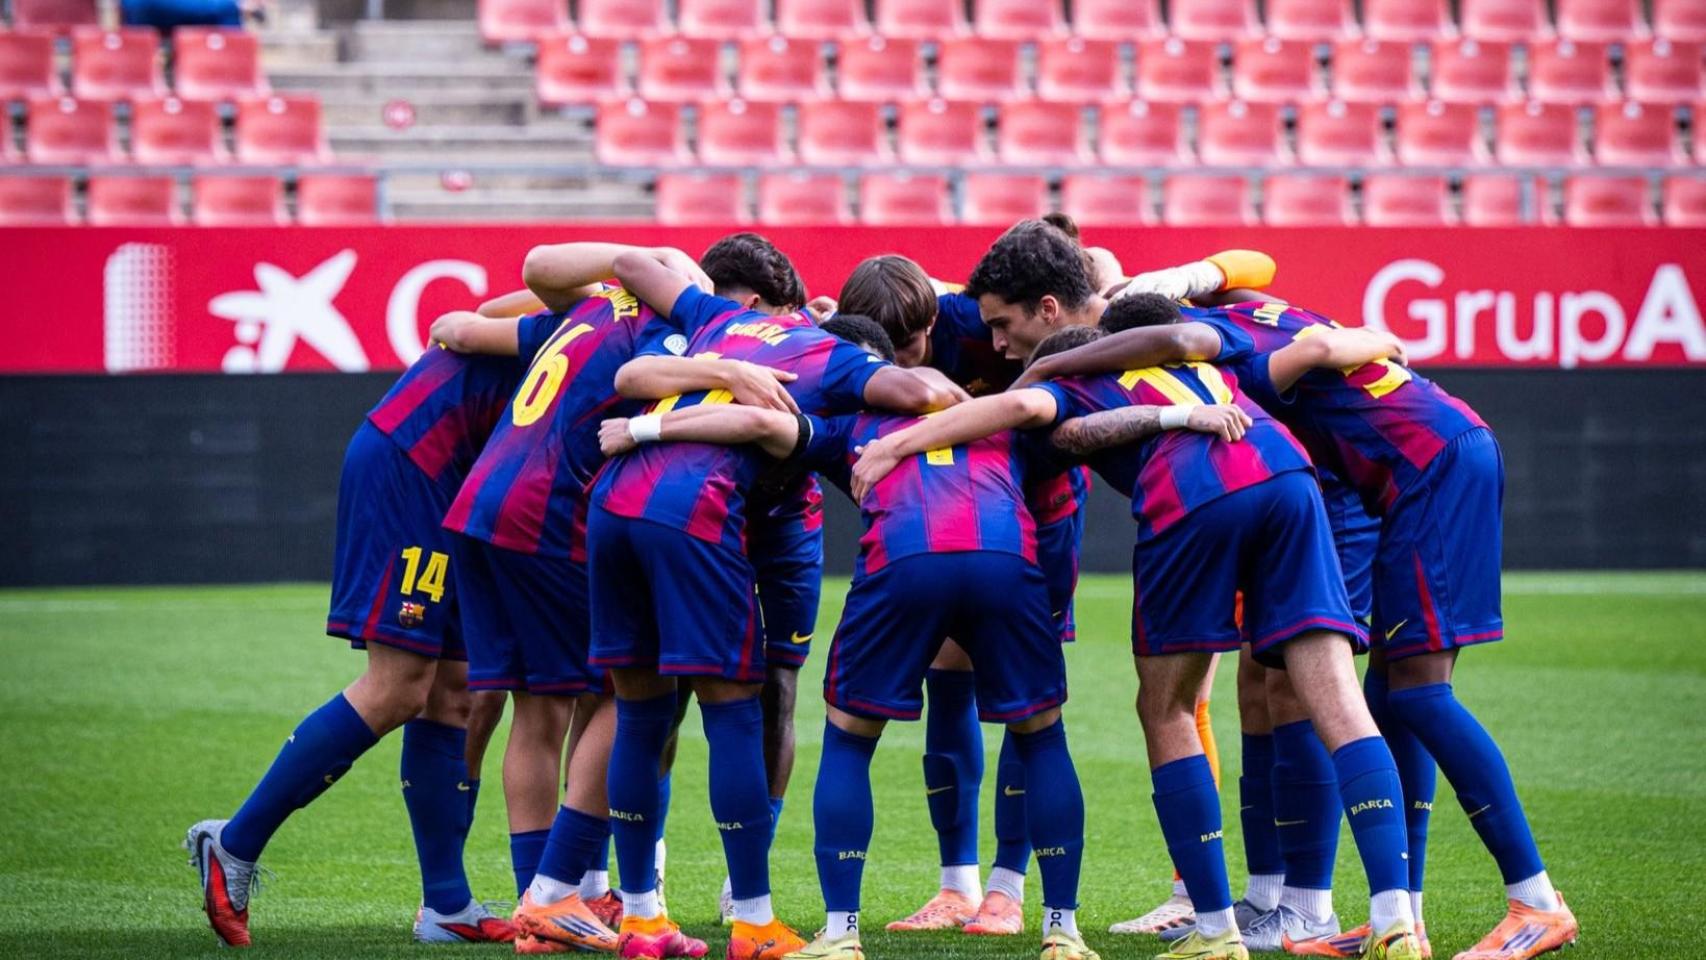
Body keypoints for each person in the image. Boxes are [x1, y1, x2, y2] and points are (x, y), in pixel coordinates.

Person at [594, 315, 1241, 960]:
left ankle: (842, 934)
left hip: (903, 559)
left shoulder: (848, 423)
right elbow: (1085, 432)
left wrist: (644, 428)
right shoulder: (994, 415)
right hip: (1004, 560)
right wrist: (1176, 418)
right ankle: (1063, 930)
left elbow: (760, 423)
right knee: (1042, 736)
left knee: (849, 739)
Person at [854, 235, 1426, 960]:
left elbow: (1020, 410)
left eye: (1004, 326)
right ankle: (1394, 918)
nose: (994, 341)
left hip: (1193, 494)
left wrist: (898, 444)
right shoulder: (1194, 351)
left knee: (1167, 708)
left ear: (1052, 310)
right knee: (1338, 700)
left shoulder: (1069, 370)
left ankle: (1214, 930)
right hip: (1286, 471)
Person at [1036, 294, 1581, 960]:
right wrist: (1378, 336)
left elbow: (1308, 349)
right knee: (1382, 699)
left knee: (1415, 694)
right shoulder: (1253, 310)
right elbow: (1275, 294)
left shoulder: (1223, 351)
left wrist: (1058, 361)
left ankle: (1536, 900)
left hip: (1422, 468)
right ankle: (1399, 919)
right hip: (1389, 468)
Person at [837, 237, 1268, 938]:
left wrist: (1167, 278)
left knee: (1026, 700)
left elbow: (1236, 270)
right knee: (947, 685)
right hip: (942, 521)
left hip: (1040, 520)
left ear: (937, 322)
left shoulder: (982, 322)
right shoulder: (888, 338)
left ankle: (1008, 888)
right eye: (890, 351)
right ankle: (957, 886)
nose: (906, 360)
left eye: (916, 341)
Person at [583, 241, 957, 960]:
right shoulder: (836, 359)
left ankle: (639, 917)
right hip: (694, 512)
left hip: (615, 502)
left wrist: (716, 366)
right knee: (732, 709)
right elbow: (920, 394)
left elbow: (631, 271)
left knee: (638, 712)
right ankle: (753, 921)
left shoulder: (719, 317)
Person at [185, 289, 560, 948]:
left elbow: (472, 323)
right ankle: (235, 842)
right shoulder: (623, 316)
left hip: (457, 483)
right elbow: (475, 325)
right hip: (413, 468)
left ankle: (446, 903)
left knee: (461, 691)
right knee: (400, 685)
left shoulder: (619, 313)